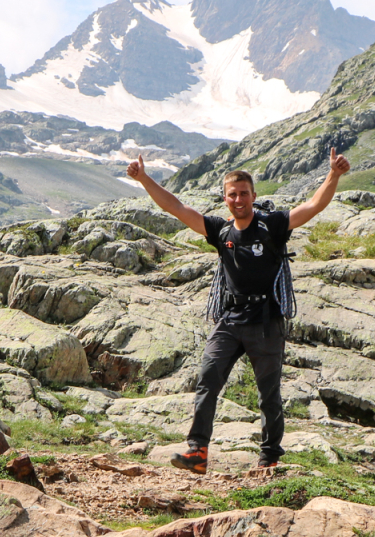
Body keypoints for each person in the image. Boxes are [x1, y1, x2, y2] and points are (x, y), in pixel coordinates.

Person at [126, 149, 350, 473]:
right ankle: (197, 452)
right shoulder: (219, 230)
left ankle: (269, 457)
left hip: (266, 323)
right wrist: (143, 178)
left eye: (244, 193)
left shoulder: (272, 225)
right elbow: (176, 207)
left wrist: (334, 175)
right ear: (225, 199)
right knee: (207, 379)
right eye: (233, 194)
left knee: (268, 395)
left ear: (253, 196)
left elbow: (312, 207)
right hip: (229, 321)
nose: (238, 199)